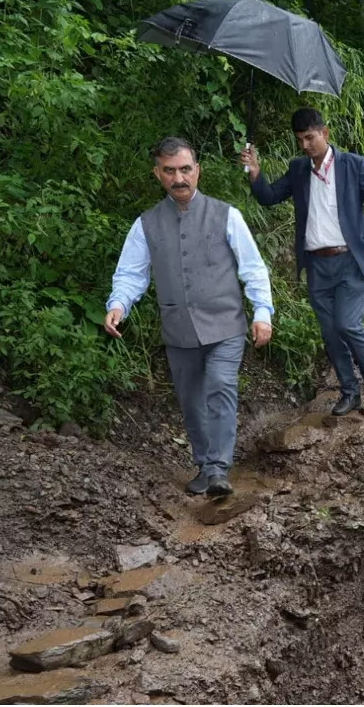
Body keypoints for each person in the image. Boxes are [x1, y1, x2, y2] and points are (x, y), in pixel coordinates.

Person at [108, 137, 274, 497]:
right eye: (170, 171)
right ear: (158, 174)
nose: (179, 178)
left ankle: (218, 469)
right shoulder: (146, 224)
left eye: (185, 169)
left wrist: (262, 312)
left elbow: (253, 268)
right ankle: (204, 464)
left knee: (220, 385)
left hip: (226, 324)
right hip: (178, 328)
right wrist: (118, 305)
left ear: (198, 170)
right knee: (190, 398)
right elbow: (131, 274)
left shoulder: (227, 215)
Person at [242, 108, 364, 417]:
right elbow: (269, 197)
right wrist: (256, 172)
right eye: (300, 140)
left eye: (310, 137)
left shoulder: (353, 165)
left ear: (325, 133)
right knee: (330, 333)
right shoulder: (298, 170)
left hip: (351, 260)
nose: (306, 145)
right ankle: (349, 392)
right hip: (317, 265)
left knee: (347, 323)